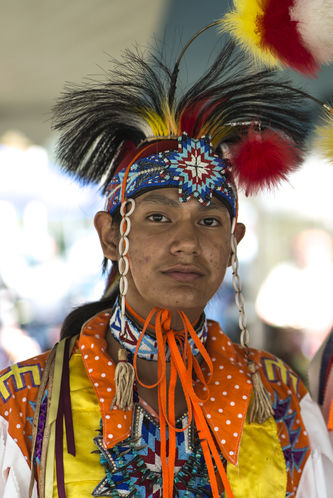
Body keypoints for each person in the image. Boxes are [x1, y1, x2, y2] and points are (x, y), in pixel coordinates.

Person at [0, 31, 332, 498]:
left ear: (234, 243)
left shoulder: (279, 397)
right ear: (112, 236)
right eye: (159, 217)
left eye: (210, 221)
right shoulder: (26, 402)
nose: (187, 242)